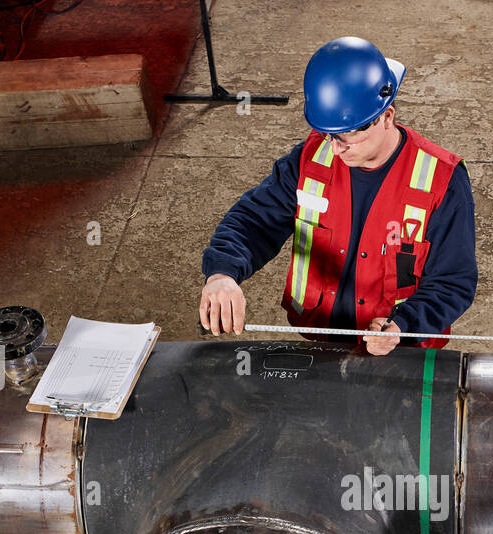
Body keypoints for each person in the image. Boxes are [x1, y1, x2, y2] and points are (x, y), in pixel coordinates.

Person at [199, 36, 477, 355]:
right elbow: (253, 221)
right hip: (322, 338)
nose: (335, 149)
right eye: (329, 135)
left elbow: (454, 279)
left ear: (387, 116)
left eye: (348, 136)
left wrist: (404, 325)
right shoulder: (311, 160)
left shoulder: (442, 181)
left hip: (401, 350)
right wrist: (222, 272)